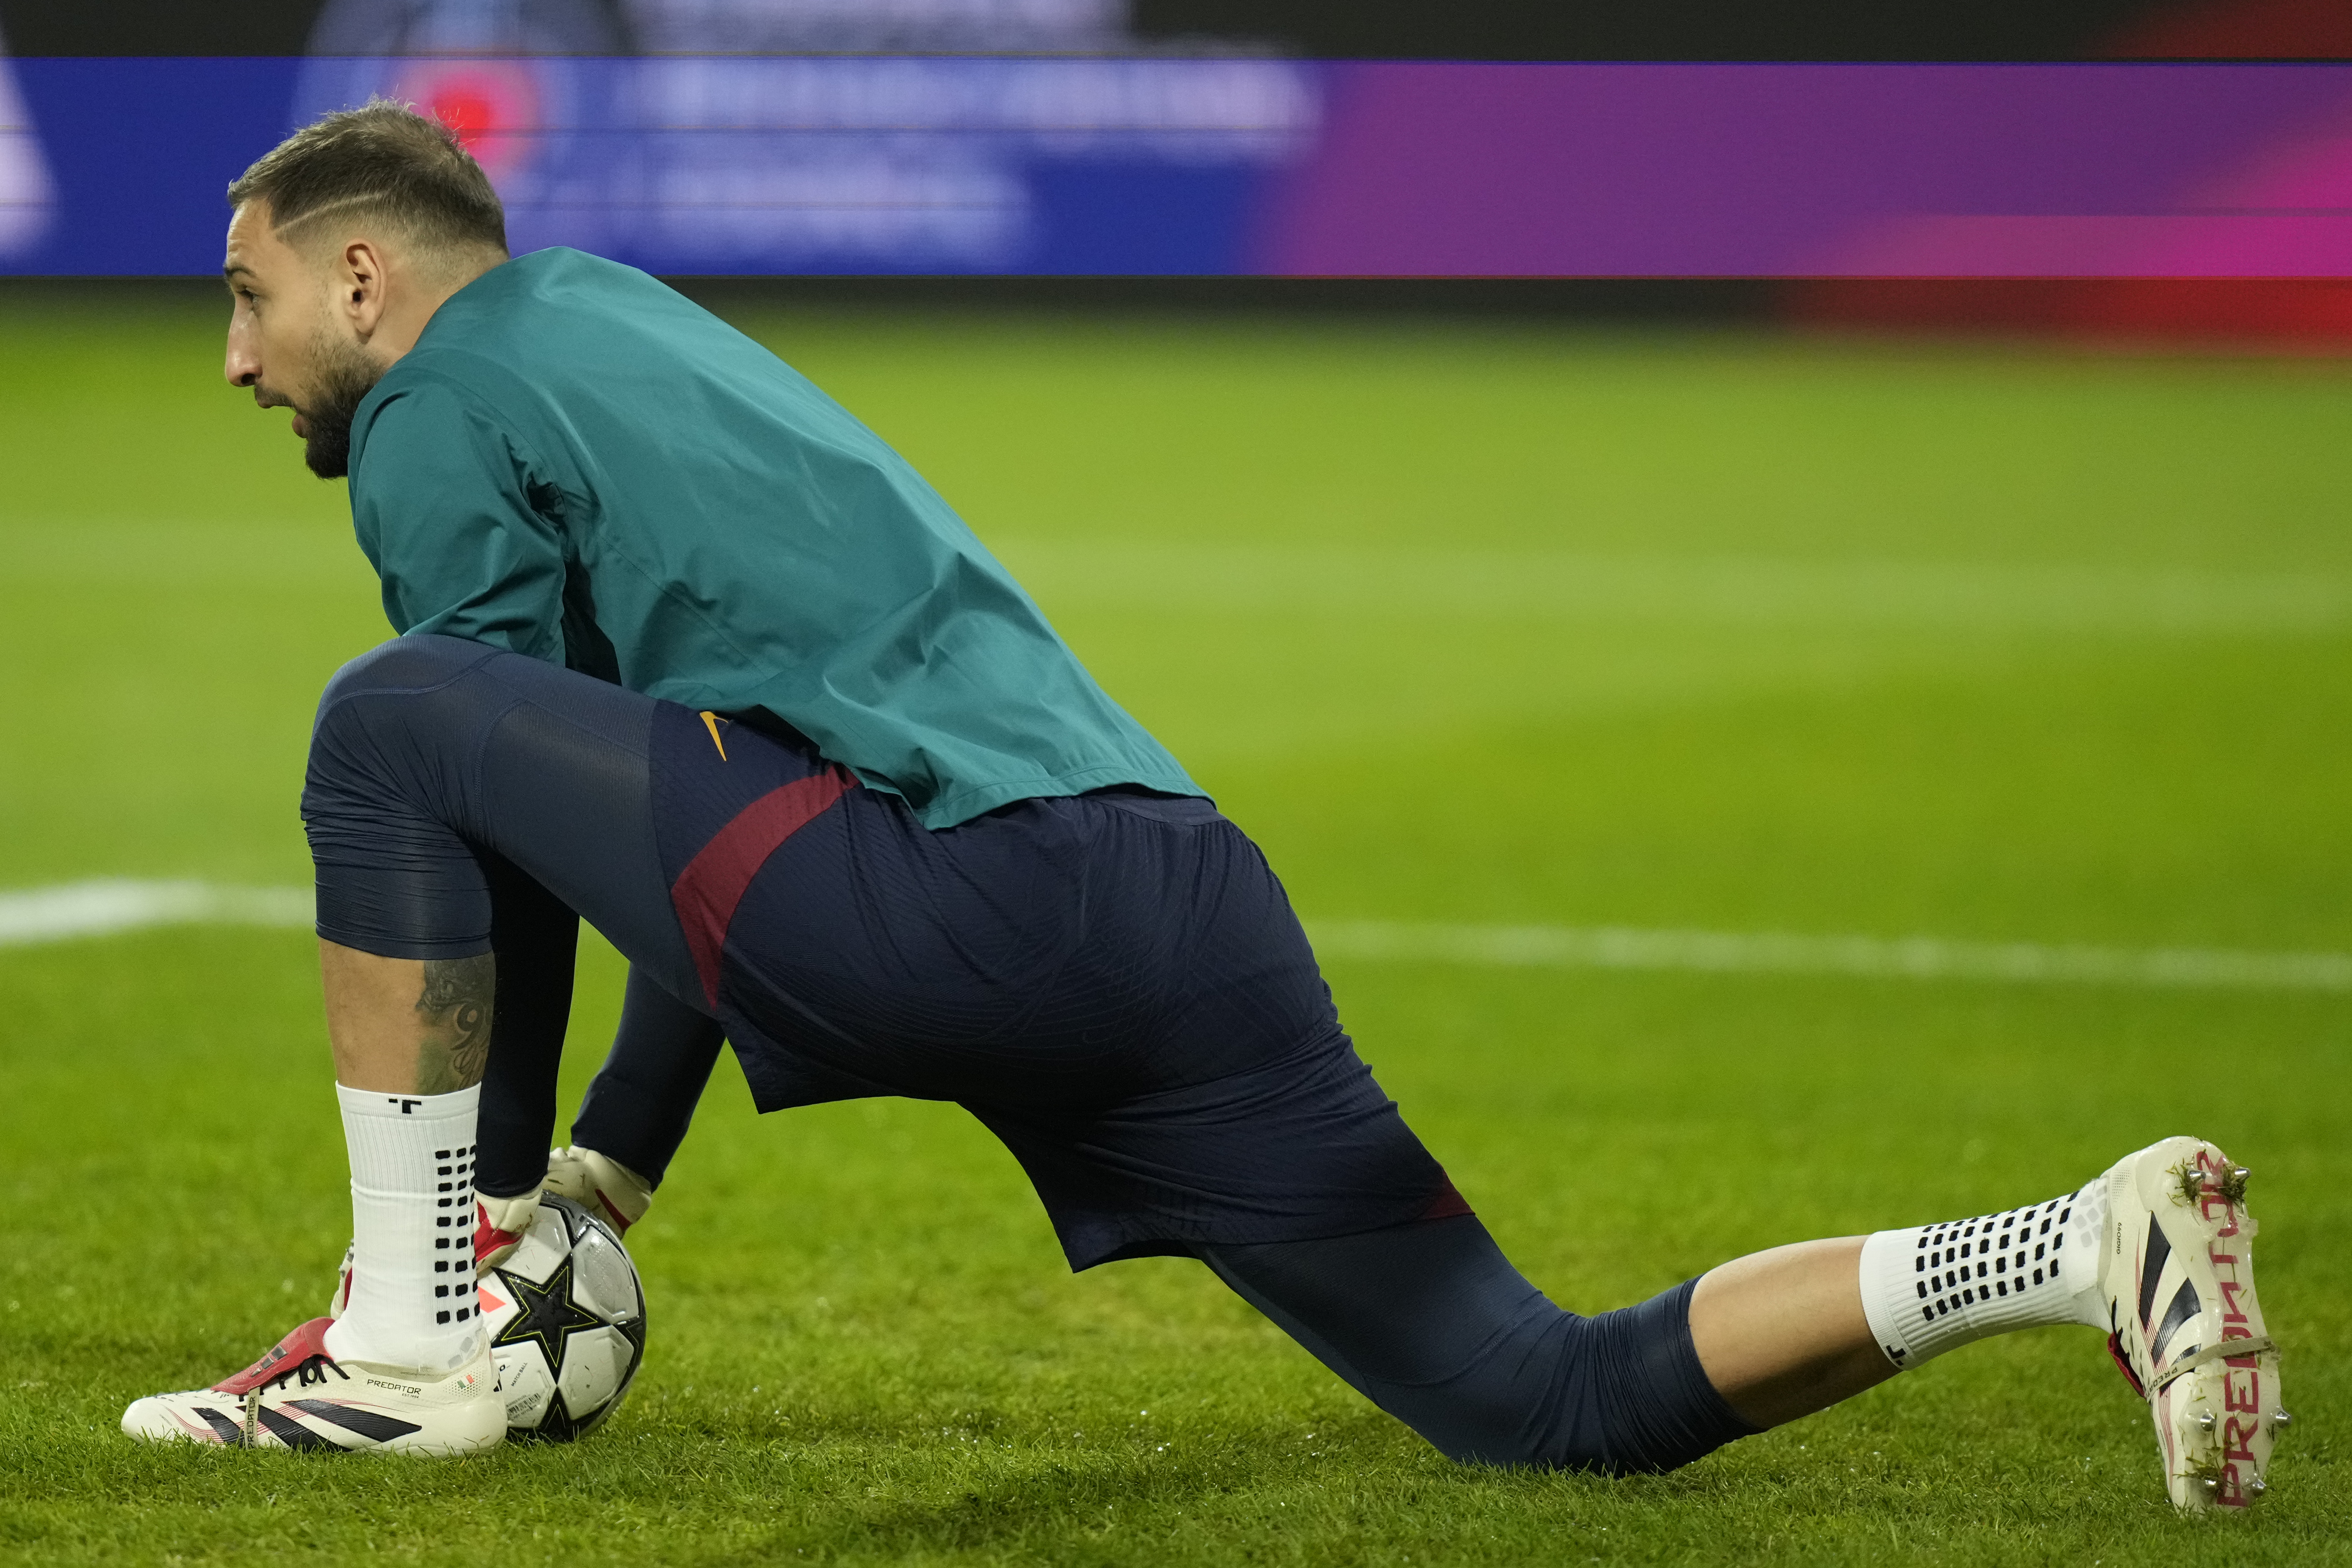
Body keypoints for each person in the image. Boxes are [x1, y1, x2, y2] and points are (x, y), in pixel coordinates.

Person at [123, 104, 2285, 1510]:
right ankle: (2073, 1241)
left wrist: (491, 1229)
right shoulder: (620, 329)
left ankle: (405, 1340)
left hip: (935, 893)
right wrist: (612, 1163)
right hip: (1174, 893)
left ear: (367, 283)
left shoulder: (435, 408)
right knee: (1545, 1391)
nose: (237, 355)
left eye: (251, 296)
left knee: (389, 718)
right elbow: (677, 798)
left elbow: (514, 814)